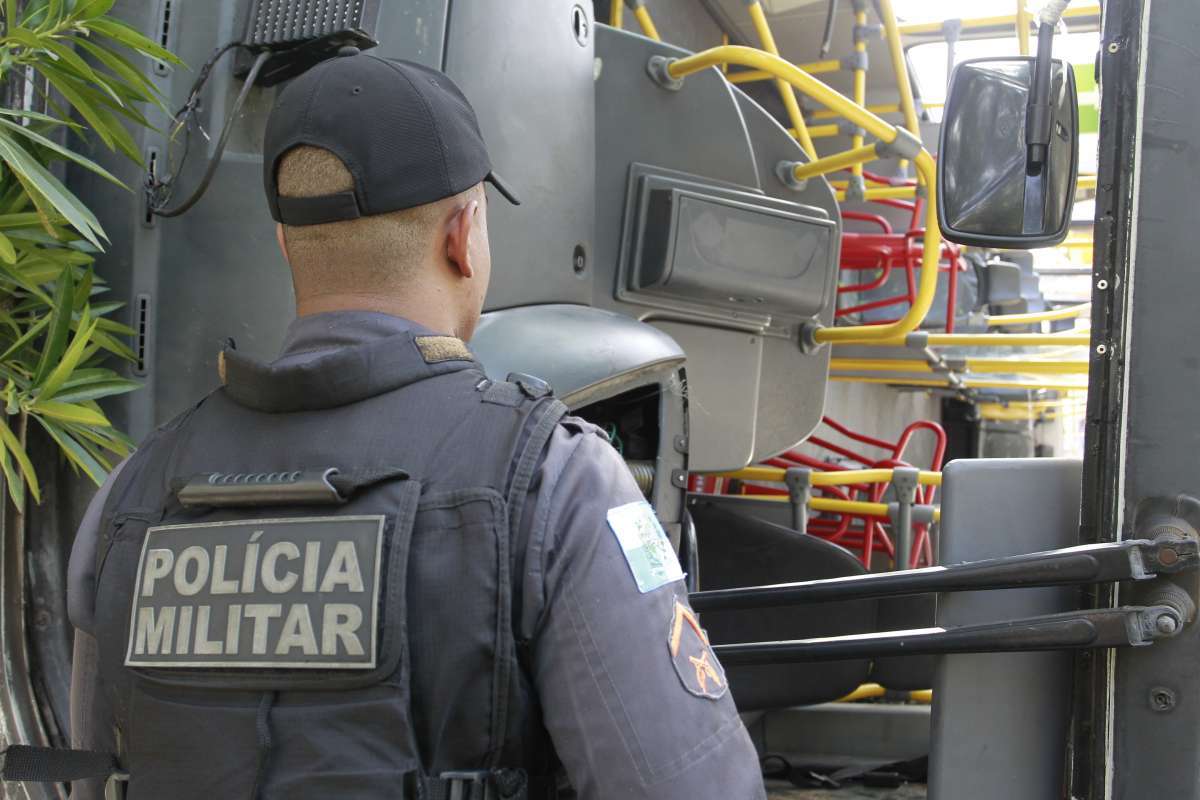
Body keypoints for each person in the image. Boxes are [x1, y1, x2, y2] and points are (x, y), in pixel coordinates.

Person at [64, 50, 765, 799]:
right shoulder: (558, 484)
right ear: (463, 236)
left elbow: (93, 770)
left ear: (285, 244)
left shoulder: (133, 493)